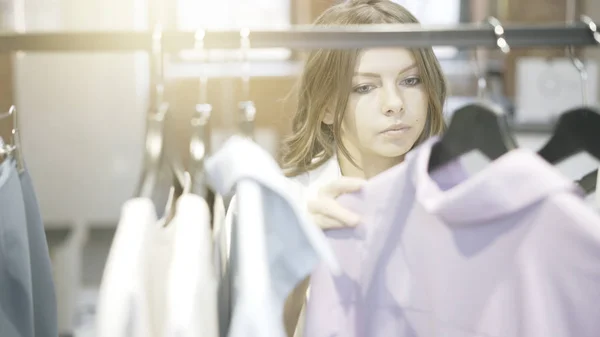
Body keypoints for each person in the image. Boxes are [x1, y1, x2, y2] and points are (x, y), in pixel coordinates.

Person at [279, 0, 448, 335]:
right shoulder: (283, 209)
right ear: (325, 107)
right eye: (364, 87)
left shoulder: (453, 197)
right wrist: (297, 256)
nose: (395, 104)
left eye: (411, 80)